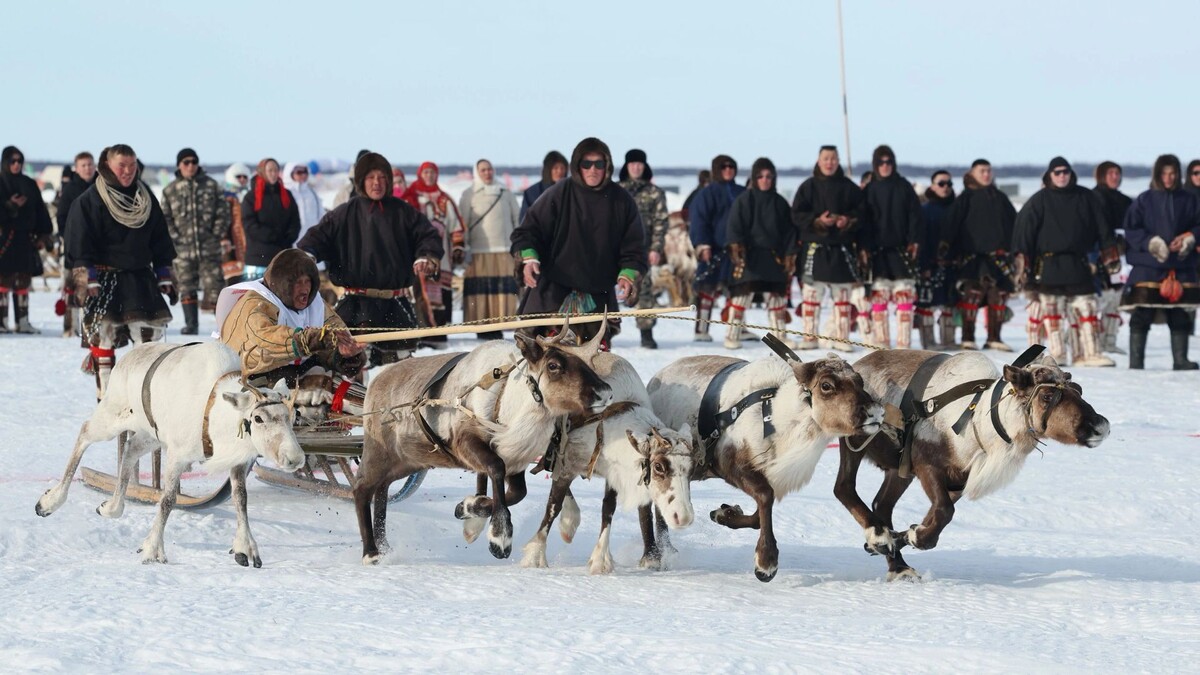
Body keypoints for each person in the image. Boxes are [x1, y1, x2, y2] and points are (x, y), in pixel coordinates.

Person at [298, 151, 443, 368]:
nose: (377, 183)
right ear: (360, 181)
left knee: (398, 371)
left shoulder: (404, 212)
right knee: (350, 368)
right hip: (355, 305)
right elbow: (317, 236)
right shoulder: (344, 213)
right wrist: (308, 254)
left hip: (394, 305)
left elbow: (428, 235)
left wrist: (426, 256)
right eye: (370, 178)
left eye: (382, 178)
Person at [65, 144, 177, 399]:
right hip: (103, 281)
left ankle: (142, 400)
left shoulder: (145, 196)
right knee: (104, 342)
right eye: (121, 166)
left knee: (147, 344)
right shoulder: (89, 201)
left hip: (139, 279)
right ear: (107, 166)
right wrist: (87, 281)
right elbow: (78, 243)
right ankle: (106, 399)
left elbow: (159, 238)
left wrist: (164, 274)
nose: (127, 171)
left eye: (132, 165)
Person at [511, 136, 645, 346]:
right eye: (586, 164)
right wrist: (529, 259)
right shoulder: (558, 193)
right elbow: (528, 231)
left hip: (597, 292)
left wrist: (628, 275)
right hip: (552, 290)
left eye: (599, 164)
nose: (593, 169)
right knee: (538, 359)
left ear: (607, 166)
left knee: (594, 366)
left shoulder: (622, 200)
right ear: (577, 166)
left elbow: (634, 246)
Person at [1013, 157, 1118, 366]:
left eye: (1066, 172)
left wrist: (1110, 256)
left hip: (1079, 265)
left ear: (1071, 174)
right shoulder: (1039, 200)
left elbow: (1103, 228)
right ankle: (1057, 355)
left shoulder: (1086, 197)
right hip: (1048, 266)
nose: (1062, 176)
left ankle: (1088, 354)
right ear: (1050, 175)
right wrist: (1022, 267)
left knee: (1086, 310)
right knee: (1052, 314)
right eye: (1057, 172)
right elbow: (1023, 234)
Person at [215, 248, 364, 383]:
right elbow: (264, 340)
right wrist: (308, 340)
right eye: (298, 283)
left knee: (328, 379)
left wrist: (346, 355)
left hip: (295, 375)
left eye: (308, 281)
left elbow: (334, 335)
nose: (305, 288)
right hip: (254, 377)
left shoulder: (316, 305)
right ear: (282, 284)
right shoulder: (257, 302)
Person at [1120, 154, 1200, 370]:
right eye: (1164, 173)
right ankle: (1136, 363)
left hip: (1181, 266)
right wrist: (1152, 243)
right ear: (1157, 174)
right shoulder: (1144, 200)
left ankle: (1181, 360)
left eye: (1172, 173)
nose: (1168, 177)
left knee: (1180, 315)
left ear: (1178, 174)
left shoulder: (1190, 200)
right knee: (1141, 315)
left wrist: (1188, 238)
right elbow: (1132, 229)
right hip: (1149, 266)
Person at [791, 145, 864, 351]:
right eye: (826, 158)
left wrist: (846, 220)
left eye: (833, 158)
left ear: (838, 161)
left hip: (842, 250)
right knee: (811, 298)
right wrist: (817, 221)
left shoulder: (850, 188)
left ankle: (842, 339)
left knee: (842, 298)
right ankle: (809, 338)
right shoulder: (807, 187)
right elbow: (796, 214)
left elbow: (863, 214)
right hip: (815, 249)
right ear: (818, 160)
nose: (829, 162)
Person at [941, 158, 1017, 350]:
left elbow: (1014, 226)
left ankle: (994, 338)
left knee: (997, 297)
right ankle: (968, 338)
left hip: (998, 258)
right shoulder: (964, 198)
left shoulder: (1000, 198)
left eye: (989, 171)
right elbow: (951, 226)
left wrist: (1017, 250)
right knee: (971, 298)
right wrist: (945, 247)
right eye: (982, 171)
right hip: (971, 258)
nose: (986, 174)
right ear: (972, 173)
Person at [725, 157, 798, 349]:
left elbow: (790, 232)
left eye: (768, 176)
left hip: (773, 256)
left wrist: (790, 254)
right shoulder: (744, 201)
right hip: (749, 256)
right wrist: (737, 249)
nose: (765, 180)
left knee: (776, 300)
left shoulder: (780, 202)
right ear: (754, 178)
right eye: (761, 176)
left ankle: (780, 338)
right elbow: (734, 227)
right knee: (741, 298)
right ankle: (732, 335)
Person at [161, 148, 229, 334]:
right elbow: (165, 218)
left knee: (216, 287)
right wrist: (176, 238)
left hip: (209, 248)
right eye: (186, 162)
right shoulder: (170, 190)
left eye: (194, 162)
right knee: (186, 287)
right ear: (179, 165)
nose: (190, 166)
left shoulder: (211, 186)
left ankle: (223, 327)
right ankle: (191, 325)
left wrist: (215, 235)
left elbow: (223, 213)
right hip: (183, 250)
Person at [860, 145, 921, 348]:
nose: (885, 166)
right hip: (877, 254)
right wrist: (864, 247)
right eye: (880, 162)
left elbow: (915, 216)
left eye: (888, 162)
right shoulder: (869, 189)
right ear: (875, 165)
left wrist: (914, 240)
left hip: (902, 252)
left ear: (893, 164)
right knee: (879, 300)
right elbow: (863, 222)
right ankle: (882, 347)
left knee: (904, 298)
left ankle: (904, 348)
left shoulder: (904, 186)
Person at [402, 161, 465, 348]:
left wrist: (458, 247)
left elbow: (456, 226)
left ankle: (440, 332)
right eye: (426, 172)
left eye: (432, 173)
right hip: (418, 254)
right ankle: (423, 332)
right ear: (420, 174)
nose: (429, 176)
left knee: (442, 293)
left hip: (441, 255)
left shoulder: (444, 199)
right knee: (421, 292)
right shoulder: (411, 196)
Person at [458, 158, 520, 339]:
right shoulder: (469, 194)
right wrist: (465, 247)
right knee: (481, 290)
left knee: (501, 289)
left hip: (503, 249)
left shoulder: (505, 192)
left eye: (489, 169)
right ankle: (481, 325)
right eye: (483, 170)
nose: (487, 173)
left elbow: (516, 218)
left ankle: (499, 324)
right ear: (477, 172)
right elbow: (464, 223)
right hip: (478, 251)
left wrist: (517, 244)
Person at [689, 154, 745, 341]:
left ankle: (739, 329)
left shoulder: (741, 192)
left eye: (731, 166)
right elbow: (699, 221)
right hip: (713, 250)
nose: (728, 169)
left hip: (737, 251)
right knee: (707, 291)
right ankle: (702, 330)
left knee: (738, 291)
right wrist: (703, 245)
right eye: (723, 167)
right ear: (716, 170)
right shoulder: (707, 193)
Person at [618, 148, 670, 349]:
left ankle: (646, 332)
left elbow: (661, 222)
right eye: (632, 164)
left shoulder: (655, 192)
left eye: (639, 164)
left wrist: (656, 248)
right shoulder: (617, 191)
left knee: (645, 292)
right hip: (617, 251)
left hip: (643, 251)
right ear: (627, 166)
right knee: (608, 293)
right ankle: (605, 331)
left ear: (645, 167)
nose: (636, 167)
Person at [0, 146, 53, 334]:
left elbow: (40, 210)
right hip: (4, 239)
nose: (16, 165)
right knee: (3, 281)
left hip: (25, 239)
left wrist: (45, 234)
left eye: (19, 161)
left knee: (23, 280)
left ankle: (23, 322)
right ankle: (2, 322)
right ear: (5, 162)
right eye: (12, 161)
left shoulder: (28, 184)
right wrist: (10, 206)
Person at [1092, 160, 1133, 354]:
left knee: (1116, 298)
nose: (1115, 177)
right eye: (1110, 173)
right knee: (1099, 299)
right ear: (1101, 175)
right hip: (1098, 255)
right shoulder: (1092, 198)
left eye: (1117, 173)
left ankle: (1109, 340)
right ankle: (1092, 340)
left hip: (1121, 255)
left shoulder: (1126, 201)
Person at [916, 170, 957, 349]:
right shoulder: (924, 210)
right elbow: (920, 239)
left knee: (950, 305)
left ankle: (949, 340)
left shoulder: (957, 209)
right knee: (927, 305)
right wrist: (923, 264)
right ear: (933, 186)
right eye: (941, 183)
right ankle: (928, 342)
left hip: (953, 264)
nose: (946, 187)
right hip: (929, 264)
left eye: (949, 184)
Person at [241, 158, 300, 281]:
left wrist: (289, 237)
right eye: (270, 170)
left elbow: (295, 221)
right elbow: (250, 225)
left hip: (282, 255)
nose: (273, 173)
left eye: (276, 170)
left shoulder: (286, 195)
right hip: (258, 258)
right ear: (262, 172)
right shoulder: (250, 197)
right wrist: (273, 236)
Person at [220, 162, 251, 285]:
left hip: (248, 244)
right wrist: (224, 238)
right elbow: (221, 220)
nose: (242, 179)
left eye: (245, 177)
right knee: (233, 281)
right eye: (238, 176)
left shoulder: (250, 195)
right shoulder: (225, 197)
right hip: (231, 245)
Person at [520, 150, 568, 223]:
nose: (559, 171)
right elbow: (524, 221)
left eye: (562, 168)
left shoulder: (572, 191)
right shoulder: (532, 193)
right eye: (555, 168)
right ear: (548, 170)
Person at [285, 161, 325, 243]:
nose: (303, 175)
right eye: (299, 172)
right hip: (292, 242)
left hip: (311, 240)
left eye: (305, 172)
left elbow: (321, 215)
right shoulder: (285, 192)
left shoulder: (312, 193)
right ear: (290, 173)